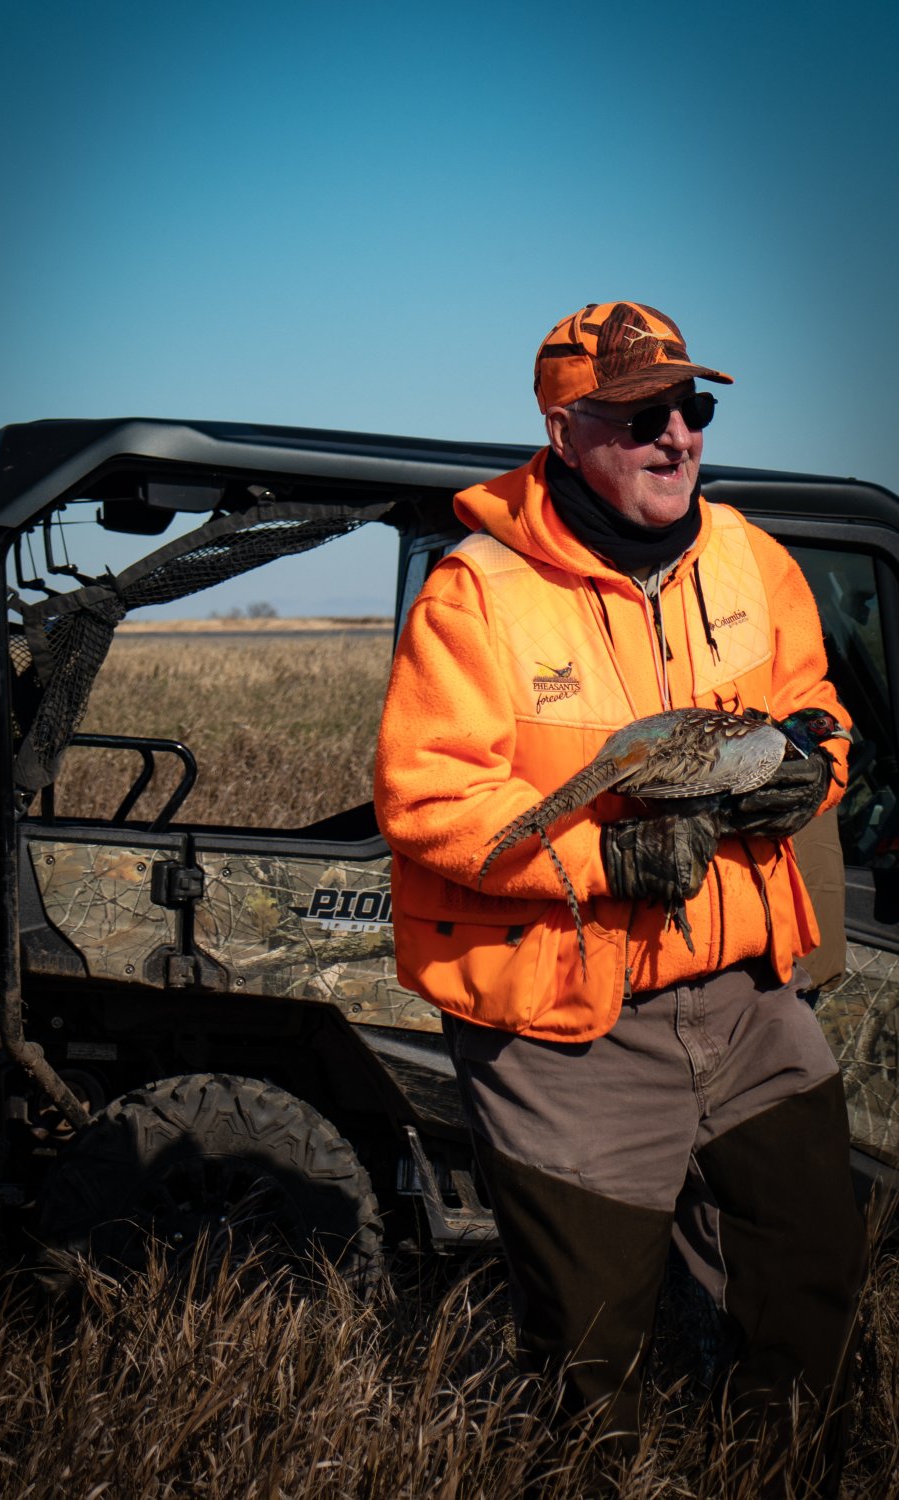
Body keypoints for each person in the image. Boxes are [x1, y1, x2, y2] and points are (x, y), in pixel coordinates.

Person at [374, 301, 866, 1486]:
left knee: (812, 1258)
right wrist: (608, 863)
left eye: (693, 409)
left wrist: (808, 769)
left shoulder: (748, 554)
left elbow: (817, 703)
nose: (678, 438)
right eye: (642, 415)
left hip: (749, 996)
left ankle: (788, 1467)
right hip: (569, 1022)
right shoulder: (477, 594)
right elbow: (427, 798)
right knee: (593, 1348)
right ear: (563, 428)